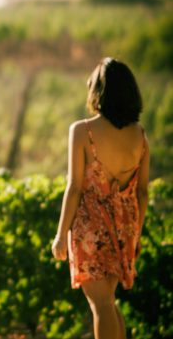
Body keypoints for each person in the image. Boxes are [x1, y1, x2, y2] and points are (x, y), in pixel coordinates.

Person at [52, 58, 149, 339]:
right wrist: (137, 235)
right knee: (108, 301)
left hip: (91, 227)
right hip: (126, 227)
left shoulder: (83, 130)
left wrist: (60, 235)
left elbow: (74, 186)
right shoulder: (140, 136)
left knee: (101, 304)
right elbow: (142, 192)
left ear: (98, 91)